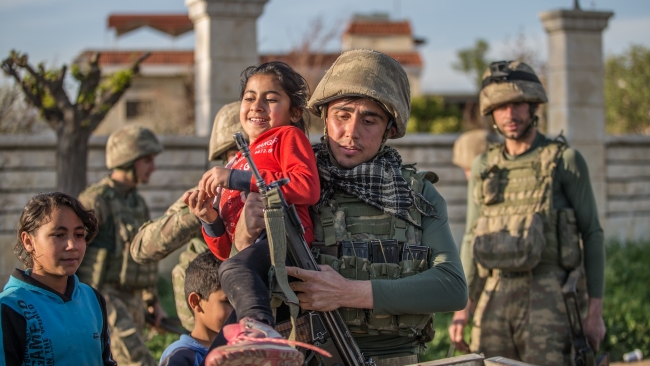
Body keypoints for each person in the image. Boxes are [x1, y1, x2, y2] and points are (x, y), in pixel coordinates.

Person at [218, 50, 469, 366]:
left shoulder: (416, 194)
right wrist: (243, 236)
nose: (351, 133)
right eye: (342, 115)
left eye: (369, 120)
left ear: (389, 129)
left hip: (394, 357)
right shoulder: (287, 182)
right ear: (324, 118)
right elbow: (241, 282)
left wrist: (351, 292)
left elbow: (452, 287)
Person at [448, 61, 606, 365]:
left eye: (518, 103)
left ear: (533, 105)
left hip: (550, 298)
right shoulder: (483, 165)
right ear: (491, 111)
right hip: (494, 295)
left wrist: (595, 312)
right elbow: (470, 236)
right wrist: (463, 308)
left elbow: (593, 235)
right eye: (501, 106)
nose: (510, 114)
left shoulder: (565, 160)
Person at [185, 61, 321, 366]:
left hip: (285, 245)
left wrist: (235, 180)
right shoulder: (235, 161)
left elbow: (307, 187)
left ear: (295, 112)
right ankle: (257, 330)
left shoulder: (287, 137)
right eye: (249, 97)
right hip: (251, 264)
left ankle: (260, 332)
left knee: (234, 271)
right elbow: (225, 252)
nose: (257, 105)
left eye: (271, 99)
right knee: (215, 356)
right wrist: (209, 218)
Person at [130, 101, 246, 332]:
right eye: (238, 152)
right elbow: (141, 248)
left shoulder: (284, 190)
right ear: (224, 156)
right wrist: (201, 213)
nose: (247, 160)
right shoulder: (209, 195)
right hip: (211, 320)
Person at [76, 125, 164, 366]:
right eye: (147, 160)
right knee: (138, 360)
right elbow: (74, 249)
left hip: (133, 297)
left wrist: (152, 301)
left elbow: (144, 254)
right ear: (128, 160)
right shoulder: (96, 200)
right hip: (105, 296)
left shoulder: (137, 202)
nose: (153, 167)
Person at [1, 192, 116, 365]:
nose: (72, 245)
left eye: (78, 235)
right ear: (28, 242)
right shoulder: (11, 307)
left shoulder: (92, 299)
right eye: (59, 235)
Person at [159, 251, 233, 366]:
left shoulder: (239, 350)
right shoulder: (180, 357)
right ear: (196, 302)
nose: (237, 309)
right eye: (227, 301)